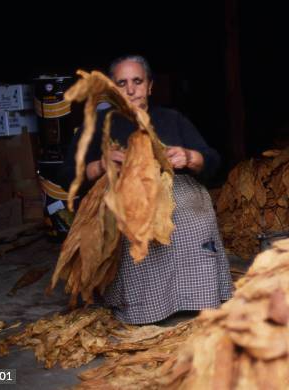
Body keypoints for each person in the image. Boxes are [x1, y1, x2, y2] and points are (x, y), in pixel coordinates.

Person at [61, 55, 233, 324]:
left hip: (175, 188)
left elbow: (213, 161)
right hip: (122, 192)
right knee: (136, 222)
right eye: (122, 83)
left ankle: (197, 295)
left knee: (192, 215)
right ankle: (145, 306)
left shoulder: (172, 119)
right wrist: (101, 165)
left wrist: (190, 157)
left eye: (137, 81)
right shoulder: (96, 126)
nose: (131, 90)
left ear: (150, 86)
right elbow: (68, 175)